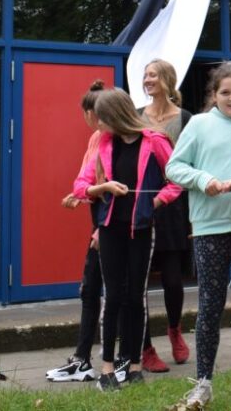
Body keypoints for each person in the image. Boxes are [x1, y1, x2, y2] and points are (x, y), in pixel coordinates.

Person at [166, 63, 231, 410]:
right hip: (209, 228)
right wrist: (204, 181)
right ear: (214, 95)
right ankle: (203, 384)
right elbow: (174, 167)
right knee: (210, 304)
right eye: (225, 92)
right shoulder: (198, 124)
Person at [73, 88, 182, 391]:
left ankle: (134, 364)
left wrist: (154, 203)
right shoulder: (104, 142)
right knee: (114, 297)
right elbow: (81, 186)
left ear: (116, 116)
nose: (97, 125)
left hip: (142, 229)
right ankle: (107, 367)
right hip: (109, 229)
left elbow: (176, 181)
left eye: (102, 119)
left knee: (136, 297)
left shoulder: (155, 141)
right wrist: (103, 187)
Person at [46, 79, 119, 383]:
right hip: (99, 219)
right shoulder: (96, 139)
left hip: (111, 224)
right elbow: (87, 179)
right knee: (91, 290)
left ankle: (115, 361)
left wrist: (103, 229)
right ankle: (83, 359)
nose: (93, 120)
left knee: (110, 292)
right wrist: (80, 195)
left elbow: (117, 189)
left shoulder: (117, 142)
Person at [140, 59, 194, 371]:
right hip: (143, 203)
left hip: (173, 205)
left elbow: (191, 160)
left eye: (153, 75)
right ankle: (145, 346)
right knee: (140, 279)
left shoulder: (185, 118)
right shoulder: (136, 116)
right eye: (145, 75)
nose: (147, 80)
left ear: (167, 80)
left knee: (173, 280)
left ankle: (175, 330)